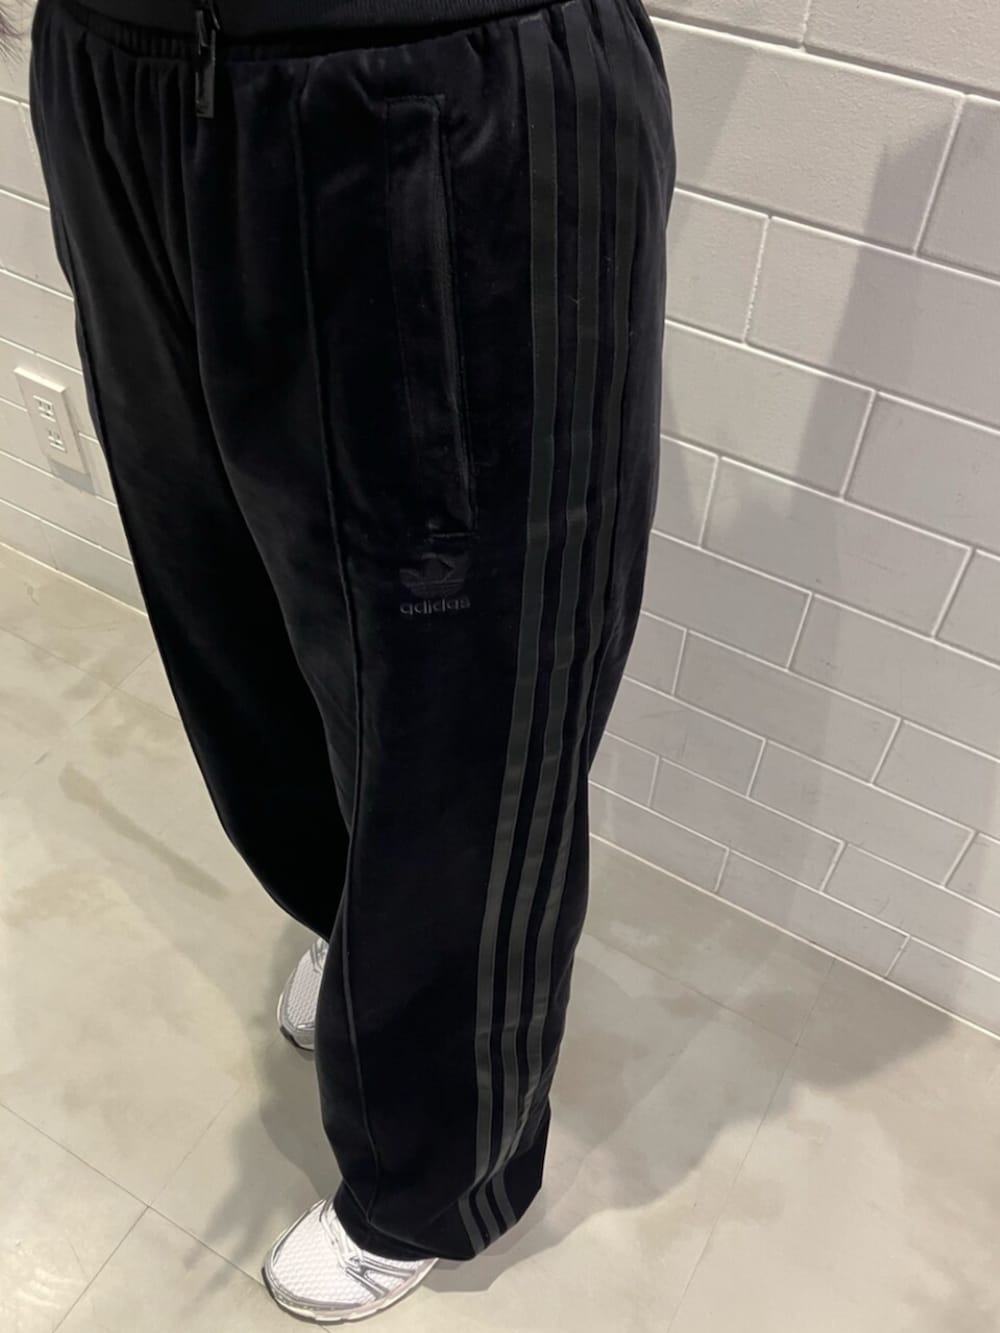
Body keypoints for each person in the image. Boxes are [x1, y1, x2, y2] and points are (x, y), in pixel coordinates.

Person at [24, 0, 674, 1321]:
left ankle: (433, 1173)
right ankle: (370, 944)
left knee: (462, 688)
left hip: (427, 78)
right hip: (118, 77)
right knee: (231, 603)